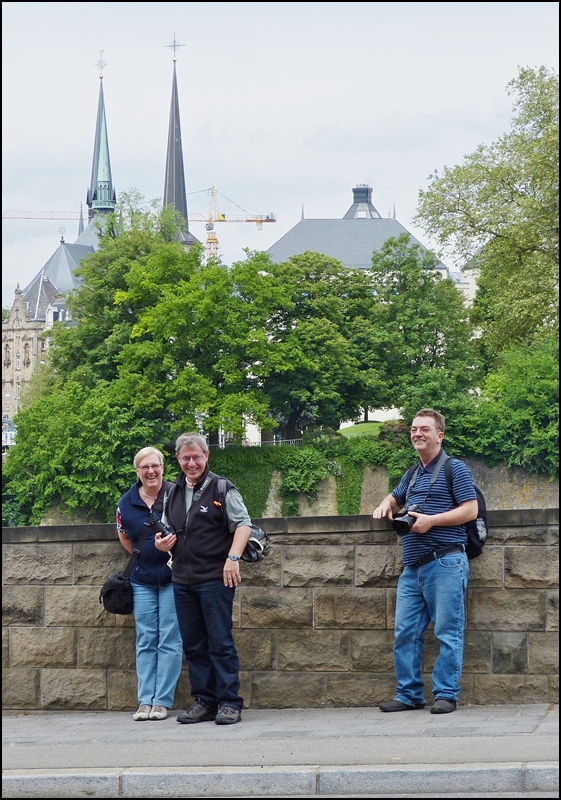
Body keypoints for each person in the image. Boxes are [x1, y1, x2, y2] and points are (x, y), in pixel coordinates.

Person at [372, 409, 478, 715]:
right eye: (414, 429)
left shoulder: (454, 469)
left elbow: (470, 510)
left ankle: (446, 694)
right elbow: (395, 497)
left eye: (425, 429)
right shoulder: (413, 473)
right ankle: (408, 694)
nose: (417, 434)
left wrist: (431, 521)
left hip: (445, 562)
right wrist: (385, 504)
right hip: (412, 566)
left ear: (439, 435)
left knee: (447, 630)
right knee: (405, 632)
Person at [155, 432, 251, 726]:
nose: (192, 462)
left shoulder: (222, 488)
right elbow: (167, 528)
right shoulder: (172, 491)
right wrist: (162, 543)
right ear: (178, 459)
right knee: (194, 644)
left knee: (220, 642)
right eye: (186, 457)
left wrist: (232, 559)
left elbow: (244, 526)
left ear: (207, 456)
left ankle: (229, 703)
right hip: (182, 578)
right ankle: (204, 701)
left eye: (197, 456)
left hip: (215, 577)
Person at [116, 447, 183, 721]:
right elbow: (124, 536)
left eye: (155, 466)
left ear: (163, 467)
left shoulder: (176, 495)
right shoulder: (126, 502)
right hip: (142, 579)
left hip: (172, 577)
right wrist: (142, 554)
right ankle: (145, 700)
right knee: (145, 639)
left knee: (170, 639)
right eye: (144, 467)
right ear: (137, 471)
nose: (151, 471)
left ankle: (161, 701)